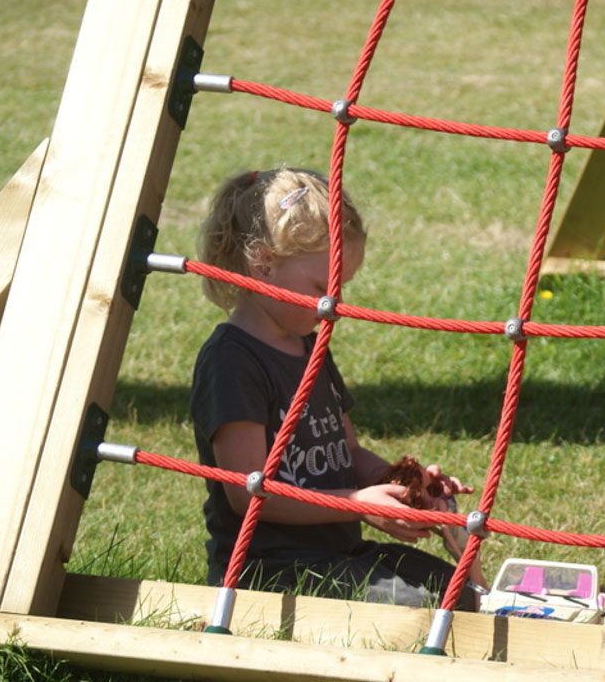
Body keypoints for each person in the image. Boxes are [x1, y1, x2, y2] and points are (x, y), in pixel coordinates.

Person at [190, 167, 480, 609]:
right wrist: (358, 504)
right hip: (268, 568)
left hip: (340, 551)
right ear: (262, 264)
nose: (335, 305)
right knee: (414, 608)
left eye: (341, 289)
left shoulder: (311, 347)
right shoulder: (232, 359)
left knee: (457, 591)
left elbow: (348, 454)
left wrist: (404, 486)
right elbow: (249, 493)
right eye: (323, 288)